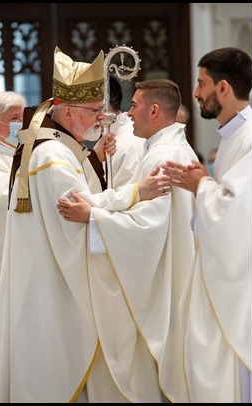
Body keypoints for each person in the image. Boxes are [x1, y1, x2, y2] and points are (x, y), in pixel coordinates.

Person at [0, 48, 170, 403]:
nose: (101, 117)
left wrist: (95, 160)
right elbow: (78, 210)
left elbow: (81, 199)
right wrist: (138, 192)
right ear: (68, 110)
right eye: (93, 111)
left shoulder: (52, 145)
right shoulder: (51, 155)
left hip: (47, 274)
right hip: (54, 283)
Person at [57, 79, 199, 402]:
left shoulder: (164, 156)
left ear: (154, 109)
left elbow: (147, 226)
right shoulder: (165, 148)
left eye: (134, 106)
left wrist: (93, 216)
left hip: (165, 277)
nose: (128, 114)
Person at [162, 47, 252, 403]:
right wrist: (203, 185)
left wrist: (201, 185)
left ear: (224, 88)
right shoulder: (233, 136)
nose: (196, 92)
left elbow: (239, 214)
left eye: (202, 84)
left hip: (239, 284)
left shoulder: (249, 140)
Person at [0, 91, 26, 393]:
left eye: (23, 118)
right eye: (14, 119)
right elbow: (3, 197)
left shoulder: (9, 152)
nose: (21, 125)